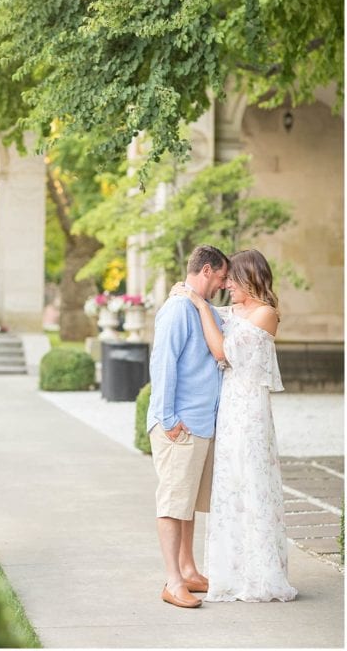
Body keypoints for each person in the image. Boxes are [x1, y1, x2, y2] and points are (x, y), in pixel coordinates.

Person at [171, 249, 297, 602]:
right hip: (227, 409)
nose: (226, 286)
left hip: (250, 412)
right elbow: (213, 316)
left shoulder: (265, 314)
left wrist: (198, 304)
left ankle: (259, 575)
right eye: (224, 280)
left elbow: (222, 351)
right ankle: (231, 572)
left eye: (231, 280)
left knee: (252, 482)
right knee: (228, 486)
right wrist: (186, 296)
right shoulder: (236, 310)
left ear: (249, 278)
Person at [147, 244, 229, 609]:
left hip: (200, 423)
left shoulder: (203, 307)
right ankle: (173, 581)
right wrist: (168, 419)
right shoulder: (178, 309)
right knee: (172, 503)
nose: (224, 284)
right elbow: (163, 363)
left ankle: (189, 569)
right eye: (223, 277)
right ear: (207, 270)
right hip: (178, 425)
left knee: (189, 504)